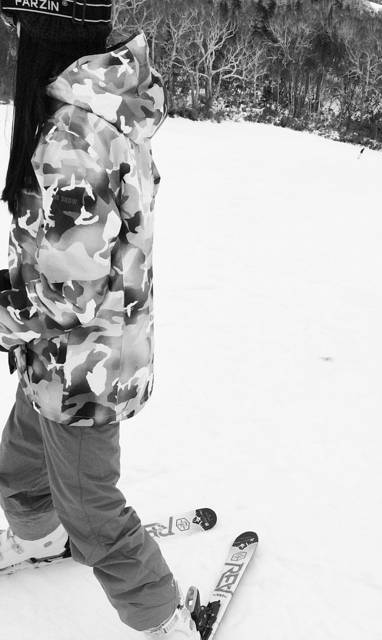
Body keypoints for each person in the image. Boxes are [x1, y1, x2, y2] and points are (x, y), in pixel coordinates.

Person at [0, 2, 199, 638]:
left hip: (84, 368)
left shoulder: (72, 138)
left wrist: (5, 314)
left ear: (45, 34)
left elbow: (70, 295)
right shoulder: (101, 105)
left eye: (18, 30)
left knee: (91, 512)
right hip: (60, 357)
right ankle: (38, 537)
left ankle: (161, 617)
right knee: (19, 469)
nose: (12, 43)